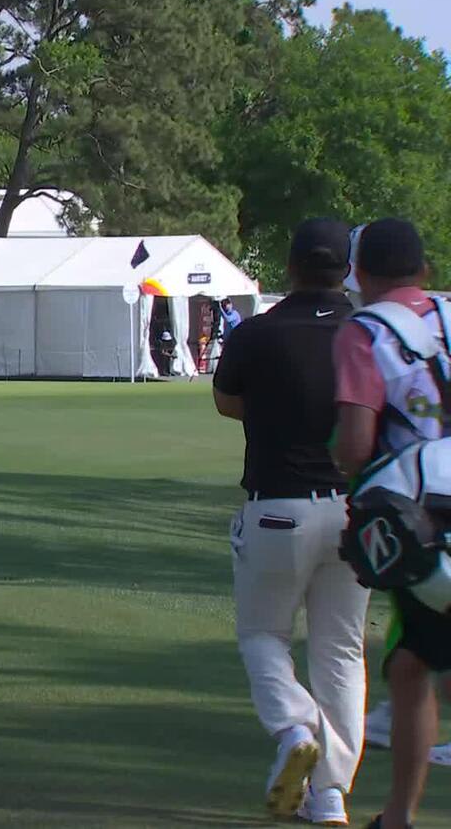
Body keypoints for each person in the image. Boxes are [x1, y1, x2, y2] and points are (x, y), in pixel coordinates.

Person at [212, 218, 364, 823]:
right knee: (342, 653)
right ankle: (330, 795)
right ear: (346, 271)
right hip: (354, 509)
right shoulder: (365, 331)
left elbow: (227, 400)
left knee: (263, 635)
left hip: (277, 507)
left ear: (292, 266)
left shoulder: (258, 332)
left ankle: (293, 728)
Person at [330, 218, 451, 829]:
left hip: (420, 516)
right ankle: (396, 815)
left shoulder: (364, 332)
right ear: (424, 271)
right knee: (419, 660)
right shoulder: (449, 317)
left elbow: (354, 445)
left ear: (361, 274)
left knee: (415, 663)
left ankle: (399, 818)